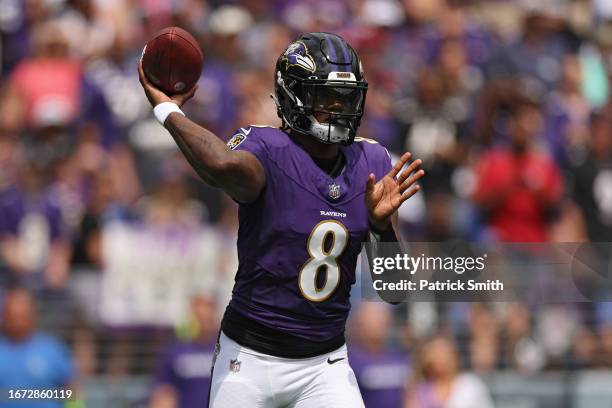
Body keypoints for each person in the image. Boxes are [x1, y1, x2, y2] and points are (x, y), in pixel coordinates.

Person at [138, 32, 424, 408]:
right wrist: (168, 110)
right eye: (325, 98)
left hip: (325, 364)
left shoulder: (369, 163)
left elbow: (395, 289)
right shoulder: (268, 149)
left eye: (346, 97)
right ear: (294, 96)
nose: (338, 108)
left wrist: (383, 228)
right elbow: (221, 165)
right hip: (249, 357)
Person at [0, 288, 76, 408]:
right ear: (4, 317)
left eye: (22, 316)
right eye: (12, 316)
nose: (17, 322)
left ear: (32, 315)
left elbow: (71, 389)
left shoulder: (52, 349)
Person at [151, 295, 219, 408]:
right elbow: (164, 392)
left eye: (208, 312)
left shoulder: (224, 349)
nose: (204, 318)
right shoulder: (176, 351)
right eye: (199, 315)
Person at [349, 301, 410, 408]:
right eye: (372, 318)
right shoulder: (350, 363)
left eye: (381, 317)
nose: (378, 323)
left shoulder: (401, 358)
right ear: (360, 322)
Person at [405, 336, 494, 408]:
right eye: (435, 354)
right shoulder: (420, 391)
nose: (441, 359)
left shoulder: (470, 385)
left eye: (444, 353)